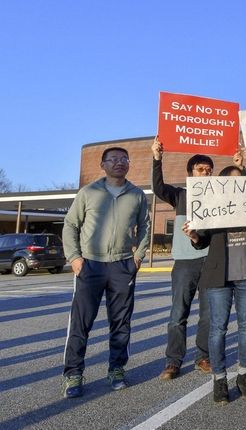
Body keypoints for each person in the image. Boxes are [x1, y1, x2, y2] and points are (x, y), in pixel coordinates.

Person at [61, 146, 150, 398]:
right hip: (91, 264)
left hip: (122, 265)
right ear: (103, 165)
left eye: (124, 158)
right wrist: (75, 258)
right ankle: (73, 374)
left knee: (121, 322)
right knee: (81, 322)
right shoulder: (89, 193)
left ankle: (117, 369)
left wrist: (138, 257)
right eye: (113, 159)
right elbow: (70, 225)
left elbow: (144, 226)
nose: (119, 163)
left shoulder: (137, 195)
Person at [183, 164, 246, 404]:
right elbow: (202, 242)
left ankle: (244, 375)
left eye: (240, 179)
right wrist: (194, 236)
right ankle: (219, 379)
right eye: (230, 180)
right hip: (219, 275)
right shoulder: (211, 205)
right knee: (218, 328)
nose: (236, 184)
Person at [151, 137, 214, 379]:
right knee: (178, 314)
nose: (206, 173)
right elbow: (158, 187)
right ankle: (173, 361)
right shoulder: (179, 195)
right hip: (185, 263)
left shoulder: (217, 197)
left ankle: (203, 357)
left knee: (208, 315)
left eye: (209, 170)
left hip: (211, 262)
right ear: (190, 173)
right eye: (200, 170)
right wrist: (157, 159)